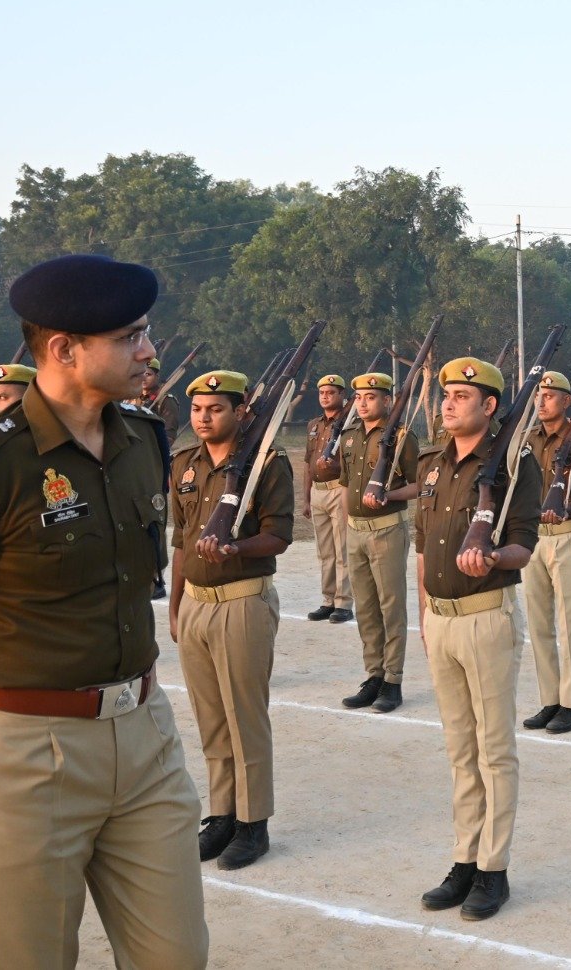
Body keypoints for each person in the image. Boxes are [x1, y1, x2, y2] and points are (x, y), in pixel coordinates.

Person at [0, 254, 209, 969]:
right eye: (131, 336)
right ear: (64, 349)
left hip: (145, 736)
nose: (150, 351)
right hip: (26, 755)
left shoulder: (143, 440)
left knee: (177, 956)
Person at [414, 355, 540, 922]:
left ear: (490, 407)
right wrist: (423, 618)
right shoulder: (432, 464)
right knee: (459, 749)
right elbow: (423, 547)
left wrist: (490, 556)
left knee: (494, 750)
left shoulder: (514, 463)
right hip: (439, 620)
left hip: (486, 615)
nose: (448, 403)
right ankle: (464, 857)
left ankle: (494, 867)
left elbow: (524, 545)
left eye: (462, 396)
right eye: (446, 395)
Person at [169, 369, 293, 870]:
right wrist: (176, 604)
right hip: (196, 604)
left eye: (215, 408)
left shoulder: (268, 463)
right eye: (198, 408)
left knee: (245, 718)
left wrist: (234, 548)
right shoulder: (185, 463)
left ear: (241, 412)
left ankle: (253, 823)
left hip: (242, 601)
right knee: (211, 719)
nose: (203, 416)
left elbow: (279, 535)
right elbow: (180, 541)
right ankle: (221, 813)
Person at [320, 370, 417, 713]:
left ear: (387, 400)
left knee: (391, 607)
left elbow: (419, 485)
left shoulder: (402, 437)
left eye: (371, 397)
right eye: (359, 397)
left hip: (387, 528)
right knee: (365, 607)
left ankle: (392, 680)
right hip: (356, 529)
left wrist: (389, 494)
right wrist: (349, 522)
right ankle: (373, 675)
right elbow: (346, 484)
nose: (362, 403)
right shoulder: (349, 438)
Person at [522, 371, 571, 735]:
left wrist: (567, 510)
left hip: (565, 535)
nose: (542, 401)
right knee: (538, 624)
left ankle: (570, 704)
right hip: (532, 538)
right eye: (540, 394)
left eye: (550, 396)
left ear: (567, 401)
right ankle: (549, 698)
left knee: (568, 624)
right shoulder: (528, 438)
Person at [303, 373, 352, 623]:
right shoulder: (314, 425)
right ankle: (328, 600)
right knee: (325, 551)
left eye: (331, 392)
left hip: (338, 489)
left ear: (342, 395)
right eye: (322, 392)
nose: (326, 396)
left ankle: (343, 603)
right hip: (318, 491)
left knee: (342, 547)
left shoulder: (351, 422)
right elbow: (307, 462)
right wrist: (305, 497)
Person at [137, 357, 181, 440]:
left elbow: (169, 435)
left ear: (157, 376)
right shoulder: (132, 397)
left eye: (148, 374)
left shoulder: (166, 400)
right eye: (141, 374)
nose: (144, 378)